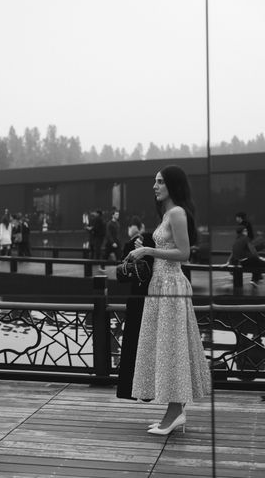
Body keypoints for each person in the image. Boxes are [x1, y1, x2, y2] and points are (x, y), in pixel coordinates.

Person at [126, 165, 210, 435]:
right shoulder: (168, 213)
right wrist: (146, 251)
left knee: (172, 349)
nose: (155, 186)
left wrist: (149, 249)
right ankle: (174, 411)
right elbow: (169, 249)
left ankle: (175, 412)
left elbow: (184, 253)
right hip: (161, 285)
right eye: (155, 181)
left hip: (171, 286)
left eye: (160, 182)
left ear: (172, 185)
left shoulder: (176, 213)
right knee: (169, 349)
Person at [116, 216, 154, 399]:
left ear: (137, 227)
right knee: (146, 344)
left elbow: (123, 268)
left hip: (137, 297)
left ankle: (133, 388)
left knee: (133, 342)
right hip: (149, 295)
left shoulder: (137, 242)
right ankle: (145, 390)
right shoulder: (146, 241)